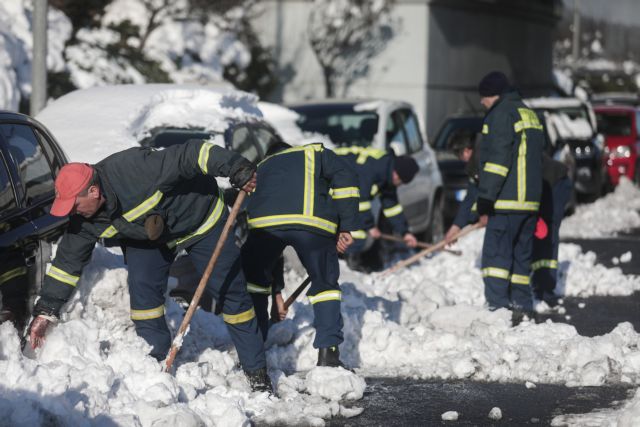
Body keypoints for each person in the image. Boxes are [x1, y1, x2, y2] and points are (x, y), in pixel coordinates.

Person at [27, 140, 271, 391]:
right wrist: (46, 310)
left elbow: (193, 153)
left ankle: (257, 374)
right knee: (144, 300)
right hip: (150, 237)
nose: (73, 212)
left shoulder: (135, 170)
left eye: (74, 204)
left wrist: (235, 167)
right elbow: (67, 263)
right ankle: (156, 367)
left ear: (93, 191)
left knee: (231, 295)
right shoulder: (84, 218)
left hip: (201, 219)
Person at [241, 141, 359, 367]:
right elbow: (346, 175)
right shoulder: (314, 153)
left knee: (255, 284)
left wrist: (274, 294)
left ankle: (252, 354)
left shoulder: (262, 166)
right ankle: (328, 356)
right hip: (311, 224)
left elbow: (273, 257)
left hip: (263, 226)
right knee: (325, 286)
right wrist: (345, 225)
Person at [474, 71, 544, 324]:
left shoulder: (501, 114)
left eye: (483, 98)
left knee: (496, 259)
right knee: (521, 258)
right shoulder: (528, 113)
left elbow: (497, 161)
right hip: (529, 202)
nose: (482, 103)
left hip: (506, 201)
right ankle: (523, 306)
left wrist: (485, 197)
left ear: (493, 95)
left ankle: (497, 311)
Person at [334, 146, 419, 272]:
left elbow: (392, 207)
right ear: (397, 175)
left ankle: (346, 263)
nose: (399, 185)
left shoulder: (387, 175)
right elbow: (359, 202)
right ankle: (347, 266)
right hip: (327, 178)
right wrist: (370, 226)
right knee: (356, 233)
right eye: (401, 182)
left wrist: (405, 232)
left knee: (356, 231)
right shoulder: (372, 169)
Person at [531, 154, 572, 304]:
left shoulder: (526, 155)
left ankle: (546, 286)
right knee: (539, 233)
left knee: (548, 232)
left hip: (557, 183)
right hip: (543, 186)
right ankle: (539, 280)